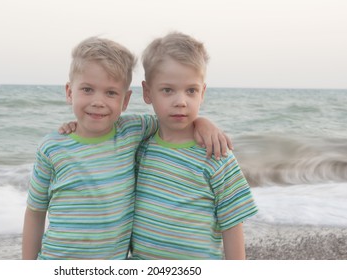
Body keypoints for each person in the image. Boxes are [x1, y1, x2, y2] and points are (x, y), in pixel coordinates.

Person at [22, 36, 230, 260]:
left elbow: (172, 120)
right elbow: (35, 212)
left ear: (126, 100)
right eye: (87, 89)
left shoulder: (131, 132)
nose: (98, 101)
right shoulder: (51, 148)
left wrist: (202, 122)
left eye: (111, 92)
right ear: (69, 92)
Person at [130, 32, 258, 260]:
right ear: (147, 92)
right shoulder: (140, 148)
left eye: (191, 90)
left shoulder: (216, 154)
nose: (181, 101)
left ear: (202, 93)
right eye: (168, 90)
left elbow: (232, 224)